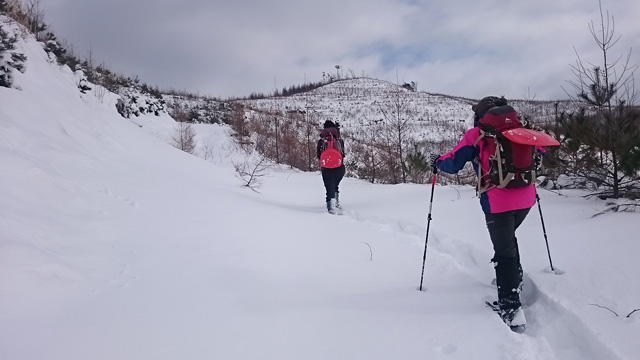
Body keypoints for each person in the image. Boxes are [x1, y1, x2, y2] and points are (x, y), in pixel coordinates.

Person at [429, 96, 543, 329]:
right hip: (527, 198)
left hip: (497, 202)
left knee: (504, 252)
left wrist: (437, 162)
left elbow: (453, 163)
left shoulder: (477, 135)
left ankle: (511, 308)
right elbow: (542, 153)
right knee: (508, 242)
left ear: (480, 115)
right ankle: (515, 280)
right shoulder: (522, 130)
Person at [317, 120, 346, 214]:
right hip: (339, 168)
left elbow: (319, 155)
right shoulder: (339, 140)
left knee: (329, 187)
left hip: (326, 168)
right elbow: (343, 154)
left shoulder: (321, 141)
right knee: (335, 185)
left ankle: (331, 207)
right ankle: (336, 202)